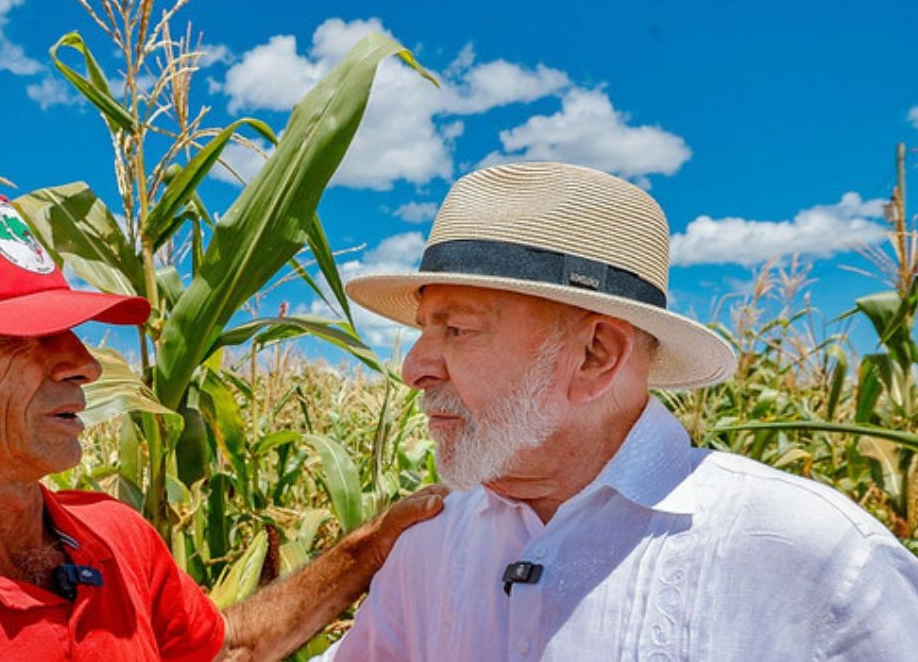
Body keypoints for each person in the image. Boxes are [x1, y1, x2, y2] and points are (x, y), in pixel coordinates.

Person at [0, 195, 447, 661]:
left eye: (71, 329)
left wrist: (372, 543)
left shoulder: (116, 537)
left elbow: (232, 646)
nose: (85, 364)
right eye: (26, 337)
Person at [326, 162, 918, 660]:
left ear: (595, 355)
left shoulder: (815, 561)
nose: (413, 369)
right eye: (425, 330)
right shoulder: (429, 547)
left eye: (456, 329)